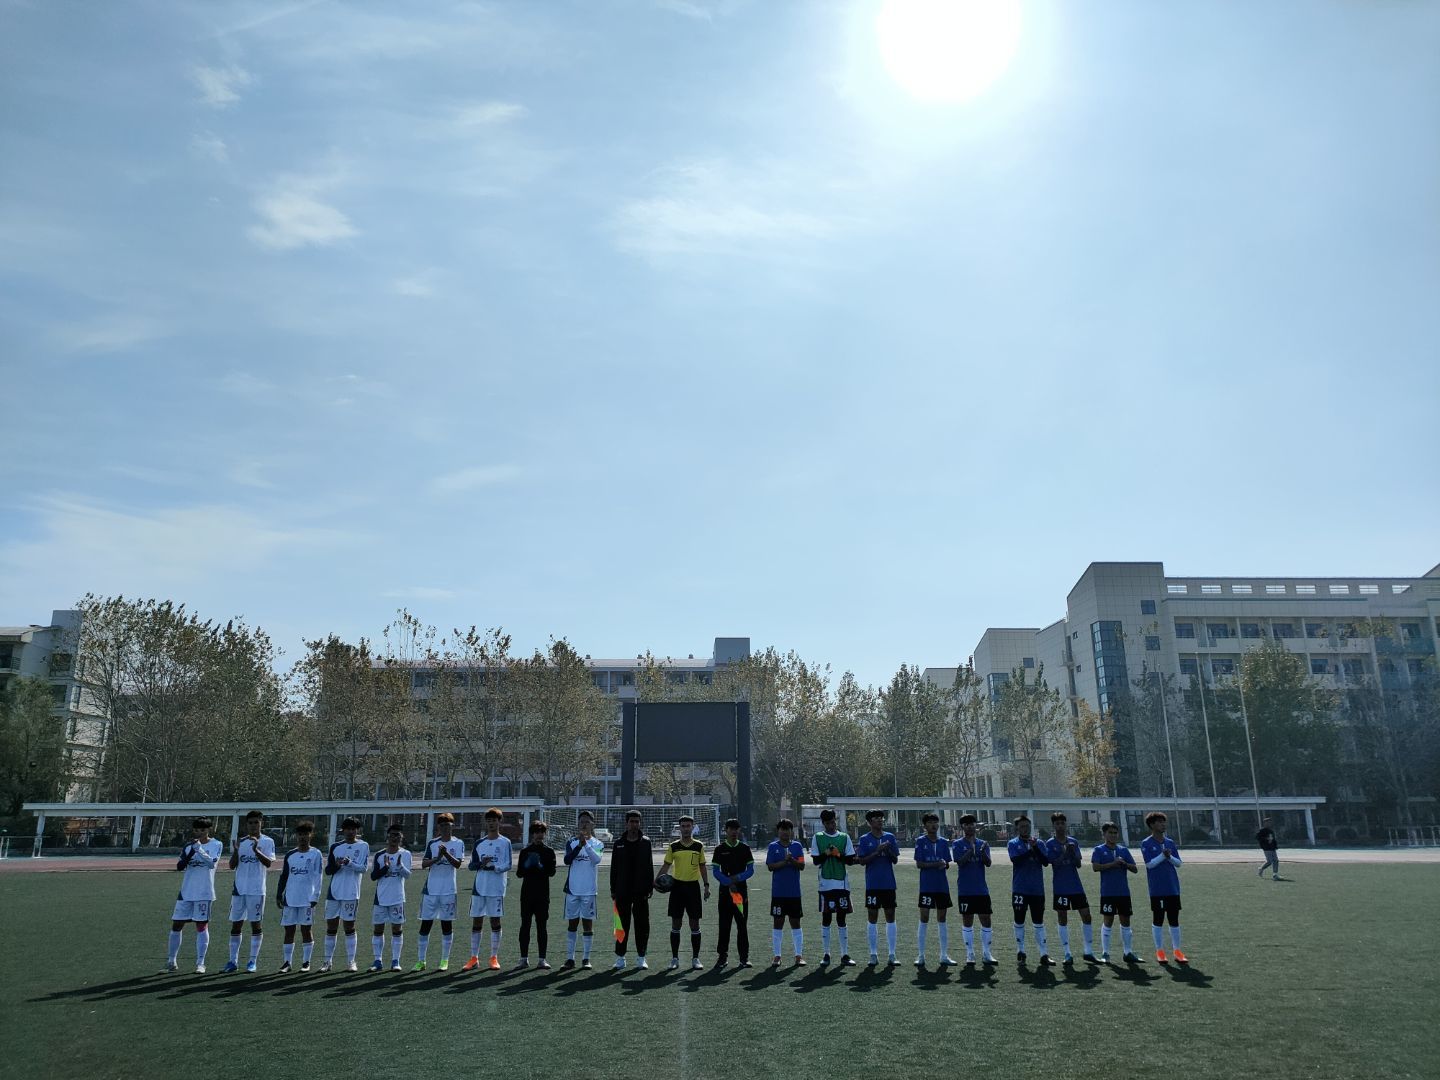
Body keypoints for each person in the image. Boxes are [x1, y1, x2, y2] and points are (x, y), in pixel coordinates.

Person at [166, 817, 223, 973]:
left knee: (201, 925)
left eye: (202, 830)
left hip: (204, 892)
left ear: (209, 830)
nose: (199, 833)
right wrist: (192, 850)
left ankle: (200, 963)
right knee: (177, 924)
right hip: (186, 892)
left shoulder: (216, 844)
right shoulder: (188, 846)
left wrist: (200, 850)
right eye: (197, 830)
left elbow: (211, 863)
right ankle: (171, 960)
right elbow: (180, 866)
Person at [224, 810, 275, 974]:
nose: (253, 825)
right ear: (247, 824)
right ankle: (233, 961)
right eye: (250, 823)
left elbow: (268, 863)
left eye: (256, 822)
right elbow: (232, 866)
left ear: (261, 823)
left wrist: (256, 850)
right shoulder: (241, 841)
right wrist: (236, 850)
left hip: (256, 890)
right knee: (236, 925)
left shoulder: (267, 841)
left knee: (255, 925)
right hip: (239, 890)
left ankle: (252, 961)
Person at [414, 811, 465, 972]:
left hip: (448, 890)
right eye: (442, 825)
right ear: (438, 827)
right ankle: (421, 961)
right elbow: (424, 864)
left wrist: (446, 854)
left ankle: (444, 960)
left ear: (452, 826)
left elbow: (458, 864)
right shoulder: (432, 843)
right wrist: (437, 858)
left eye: (447, 825)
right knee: (425, 925)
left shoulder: (458, 843)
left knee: (446, 925)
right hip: (431, 891)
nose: (445, 828)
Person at [464, 808, 514, 972]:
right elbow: (471, 866)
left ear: (499, 822)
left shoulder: (505, 842)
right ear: (486, 823)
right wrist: (481, 864)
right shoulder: (479, 843)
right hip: (479, 888)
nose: (491, 823)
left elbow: (508, 864)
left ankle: (493, 957)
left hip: (496, 888)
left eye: (494, 820)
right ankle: (474, 958)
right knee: (477, 922)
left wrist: (494, 867)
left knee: (495, 922)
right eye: (489, 820)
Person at [1043, 812, 1095, 964]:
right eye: (1057, 824)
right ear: (1053, 826)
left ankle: (1088, 951)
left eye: (1062, 823)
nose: (1060, 826)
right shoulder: (1050, 843)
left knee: (1086, 915)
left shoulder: (1073, 841)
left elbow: (1078, 864)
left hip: (1076, 885)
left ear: (1066, 825)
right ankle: (1067, 953)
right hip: (1060, 887)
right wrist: (1065, 853)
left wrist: (1072, 853)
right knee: (1062, 917)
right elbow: (1053, 863)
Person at [660, 814, 710, 970]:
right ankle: (674, 958)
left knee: (694, 923)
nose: (686, 829)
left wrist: (706, 885)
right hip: (677, 888)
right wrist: (656, 881)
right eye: (683, 826)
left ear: (692, 827)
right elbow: (666, 865)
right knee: (676, 923)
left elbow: (702, 866)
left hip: (693, 888)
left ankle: (695, 958)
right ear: (679, 828)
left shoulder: (698, 846)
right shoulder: (674, 846)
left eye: (688, 826)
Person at [322, 817, 370, 973]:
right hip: (334, 892)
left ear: (357, 830)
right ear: (343, 830)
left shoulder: (363, 846)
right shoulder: (335, 847)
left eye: (353, 829)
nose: (351, 832)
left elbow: (363, 868)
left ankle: (351, 962)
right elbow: (328, 870)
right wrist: (337, 865)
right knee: (331, 927)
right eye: (348, 829)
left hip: (351, 893)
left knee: (349, 926)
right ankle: (327, 962)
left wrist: (349, 863)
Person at [276, 820, 324, 972]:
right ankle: (287, 963)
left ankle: (306, 962)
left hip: (307, 900)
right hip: (290, 899)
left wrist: (315, 896)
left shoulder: (316, 854)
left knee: (306, 930)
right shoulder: (290, 854)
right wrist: (279, 894)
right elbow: (284, 876)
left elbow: (318, 877)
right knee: (289, 931)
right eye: (300, 834)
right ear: (297, 836)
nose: (303, 837)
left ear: (311, 835)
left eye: (306, 834)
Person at [810, 808, 856, 966]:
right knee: (826, 918)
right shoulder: (818, 837)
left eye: (833, 822)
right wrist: (827, 853)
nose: (832, 825)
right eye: (829, 823)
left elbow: (850, 860)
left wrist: (836, 854)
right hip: (825, 884)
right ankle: (826, 954)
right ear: (823, 823)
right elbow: (816, 861)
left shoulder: (844, 837)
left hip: (842, 884)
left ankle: (844, 954)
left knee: (841, 918)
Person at [609, 810, 654, 970]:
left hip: (641, 891)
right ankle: (620, 957)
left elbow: (649, 866)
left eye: (637, 821)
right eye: (631, 821)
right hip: (622, 890)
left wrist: (649, 887)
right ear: (626, 823)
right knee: (621, 925)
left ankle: (641, 957)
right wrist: (613, 889)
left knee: (642, 925)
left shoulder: (646, 842)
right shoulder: (618, 843)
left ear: (640, 823)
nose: (634, 824)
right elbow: (614, 868)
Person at [1141, 811, 1187, 964]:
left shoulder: (1170, 842)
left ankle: (1177, 951)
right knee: (1158, 919)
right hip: (1157, 889)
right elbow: (1149, 864)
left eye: (1163, 822)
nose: (1163, 824)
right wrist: (1163, 856)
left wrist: (1169, 856)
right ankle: (1160, 951)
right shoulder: (1146, 843)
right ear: (1152, 825)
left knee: (1174, 919)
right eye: (1159, 822)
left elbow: (1178, 863)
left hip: (1172, 887)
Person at [1006, 815, 1053, 965]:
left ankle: (1044, 954)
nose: (1025, 829)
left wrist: (1035, 848)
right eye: (1022, 826)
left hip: (1037, 889)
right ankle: (1021, 952)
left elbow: (1045, 862)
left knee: (1038, 921)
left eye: (1027, 826)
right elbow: (1016, 860)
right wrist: (1031, 851)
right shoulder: (1013, 843)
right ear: (1017, 828)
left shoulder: (1039, 843)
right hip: (1020, 888)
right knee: (1019, 920)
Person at [856, 808, 900, 966]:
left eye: (881, 818)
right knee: (872, 916)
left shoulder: (890, 837)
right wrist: (877, 851)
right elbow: (862, 861)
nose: (880, 820)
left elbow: (895, 860)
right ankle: (873, 954)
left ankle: (892, 954)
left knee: (890, 915)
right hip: (873, 884)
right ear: (869, 822)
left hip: (888, 883)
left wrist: (888, 851)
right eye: (876, 818)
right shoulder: (864, 839)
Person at [1090, 822, 1138, 963]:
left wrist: (1124, 864)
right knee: (1108, 921)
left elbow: (1135, 869)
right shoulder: (1099, 850)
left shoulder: (1123, 850)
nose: (1113, 835)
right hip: (1108, 892)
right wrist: (1113, 864)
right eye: (1110, 832)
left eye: (1115, 833)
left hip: (1123, 892)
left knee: (1126, 921)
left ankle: (1128, 952)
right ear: (1104, 834)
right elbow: (1095, 867)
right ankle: (1105, 953)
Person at [563, 810, 605, 969]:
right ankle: (570, 959)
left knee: (587, 925)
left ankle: (586, 959)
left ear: (593, 824)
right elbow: (567, 860)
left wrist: (585, 845)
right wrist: (578, 846)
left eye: (587, 822)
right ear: (578, 824)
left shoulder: (598, 844)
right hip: (573, 890)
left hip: (589, 891)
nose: (584, 824)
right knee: (572, 925)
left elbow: (596, 859)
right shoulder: (571, 842)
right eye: (582, 822)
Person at [710, 817, 755, 968]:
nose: (734, 832)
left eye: (736, 829)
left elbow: (750, 870)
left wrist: (738, 878)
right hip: (725, 893)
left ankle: (744, 958)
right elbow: (715, 871)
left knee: (742, 925)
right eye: (731, 829)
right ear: (726, 830)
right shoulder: (720, 849)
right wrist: (729, 882)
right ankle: (722, 957)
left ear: (739, 830)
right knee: (724, 925)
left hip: (739, 894)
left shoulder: (744, 848)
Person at [953, 813, 996, 965]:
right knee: (967, 920)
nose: (970, 827)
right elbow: (960, 862)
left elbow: (988, 863)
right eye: (966, 824)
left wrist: (982, 853)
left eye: (972, 824)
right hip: (965, 889)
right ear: (962, 827)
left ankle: (986, 953)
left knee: (986, 919)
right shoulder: (957, 844)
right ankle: (970, 953)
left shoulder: (983, 843)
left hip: (981, 889)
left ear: (975, 826)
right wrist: (971, 850)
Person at [912, 812, 954, 967]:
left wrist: (944, 864)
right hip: (927, 886)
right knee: (924, 918)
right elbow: (919, 864)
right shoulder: (920, 841)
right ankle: (921, 956)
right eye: (929, 822)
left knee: (942, 919)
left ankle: (944, 955)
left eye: (935, 822)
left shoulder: (943, 842)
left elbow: (947, 863)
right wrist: (936, 864)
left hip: (942, 886)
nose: (933, 825)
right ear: (925, 826)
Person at [369, 824, 412, 972]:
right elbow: (373, 876)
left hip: (397, 898)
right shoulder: (379, 855)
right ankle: (377, 961)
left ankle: (395, 961)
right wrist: (385, 868)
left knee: (397, 929)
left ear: (401, 838)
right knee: (378, 929)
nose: (395, 838)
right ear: (387, 837)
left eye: (397, 835)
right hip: (380, 898)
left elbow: (408, 875)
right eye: (392, 835)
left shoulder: (406, 854)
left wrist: (400, 867)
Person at [765, 818, 807, 966]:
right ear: (778, 831)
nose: (785, 832)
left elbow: (802, 865)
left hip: (794, 893)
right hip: (778, 893)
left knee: (796, 922)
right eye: (782, 829)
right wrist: (785, 861)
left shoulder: (797, 846)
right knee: (778, 922)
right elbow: (770, 866)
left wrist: (792, 861)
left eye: (787, 829)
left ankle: (798, 956)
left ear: (791, 831)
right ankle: (777, 956)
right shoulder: (773, 847)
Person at [515, 820, 556, 969]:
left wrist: (540, 865)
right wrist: (527, 864)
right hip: (527, 894)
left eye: (542, 832)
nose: (539, 835)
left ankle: (542, 959)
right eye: (536, 832)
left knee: (542, 926)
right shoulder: (525, 851)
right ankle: (523, 959)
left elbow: (552, 872)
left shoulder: (549, 851)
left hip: (542, 895)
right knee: (525, 925)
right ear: (532, 834)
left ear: (545, 834)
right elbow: (519, 873)